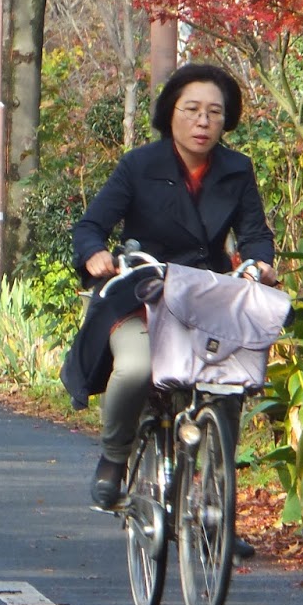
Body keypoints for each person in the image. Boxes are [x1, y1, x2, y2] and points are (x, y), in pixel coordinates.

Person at [68, 63, 278, 532]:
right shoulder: (139, 165)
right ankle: (115, 457)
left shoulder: (236, 169)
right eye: (192, 110)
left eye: (214, 113)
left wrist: (260, 262)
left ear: (227, 121)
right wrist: (96, 255)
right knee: (137, 368)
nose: (203, 122)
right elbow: (90, 227)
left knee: (229, 388)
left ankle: (217, 511)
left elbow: (255, 233)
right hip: (145, 294)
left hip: (209, 299)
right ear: (171, 114)